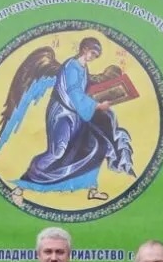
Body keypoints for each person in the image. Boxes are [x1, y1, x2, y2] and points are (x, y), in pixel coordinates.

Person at [9, 36, 134, 202]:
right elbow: (74, 92)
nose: (93, 57)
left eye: (96, 55)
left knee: (96, 145)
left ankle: (92, 188)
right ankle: (21, 187)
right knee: (57, 152)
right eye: (92, 53)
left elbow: (87, 88)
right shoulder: (72, 67)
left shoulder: (83, 67)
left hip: (76, 114)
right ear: (84, 49)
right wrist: (97, 106)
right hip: (62, 114)